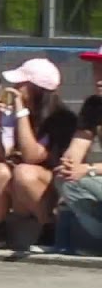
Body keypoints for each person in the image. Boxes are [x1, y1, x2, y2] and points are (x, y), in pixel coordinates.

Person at [0, 58, 76, 251]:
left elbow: (32, 157)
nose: (15, 88)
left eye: (21, 84)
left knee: (24, 172)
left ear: (36, 89)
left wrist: (21, 112)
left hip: (53, 186)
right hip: (23, 185)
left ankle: (50, 229)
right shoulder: (17, 116)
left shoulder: (61, 118)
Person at [54, 47, 102, 253]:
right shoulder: (94, 105)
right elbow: (77, 147)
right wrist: (68, 166)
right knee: (68, 181)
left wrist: (89, 169)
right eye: (96, 69)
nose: (99, 77)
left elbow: (87, 169)